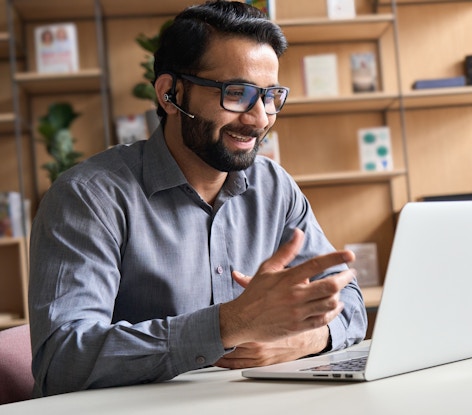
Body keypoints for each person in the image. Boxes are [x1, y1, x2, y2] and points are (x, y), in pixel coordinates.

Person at [28, 0, 367, 398]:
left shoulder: (273, 188)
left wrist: (301, 340)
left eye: (270, 95)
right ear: (170, 94)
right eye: (236, 93)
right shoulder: (88, 198)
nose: (259, 118)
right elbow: (62, 360)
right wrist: (228, 325)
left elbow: (350, 303)